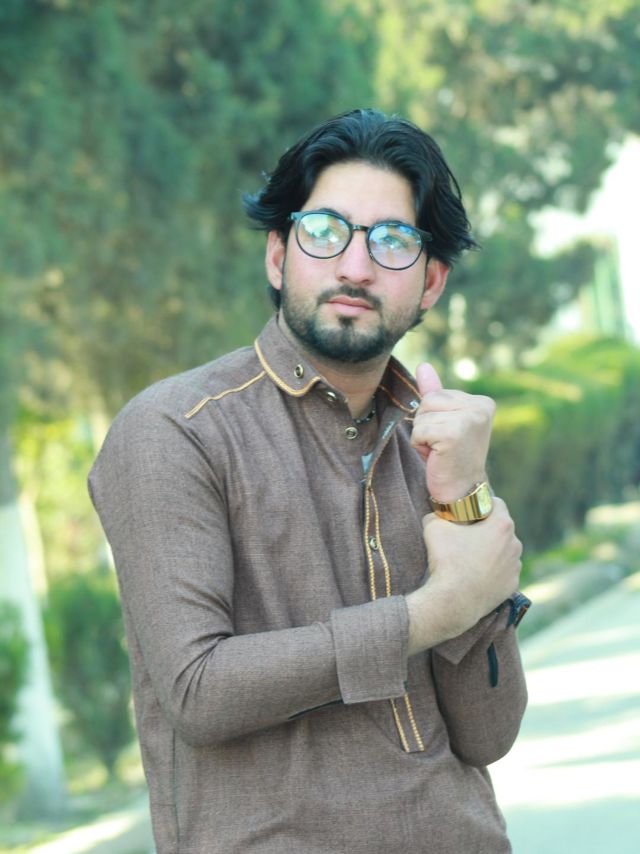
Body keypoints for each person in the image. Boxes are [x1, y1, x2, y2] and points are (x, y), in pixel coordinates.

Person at [89, 108, 530, 854]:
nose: (355, 267)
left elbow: (490, 734)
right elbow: (198, 689)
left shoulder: (435, 443)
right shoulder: (176, 429)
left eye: (393, 241)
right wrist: (430, 614)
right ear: (278, 255)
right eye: (326, 232)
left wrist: (464, 501)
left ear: (430, 283)